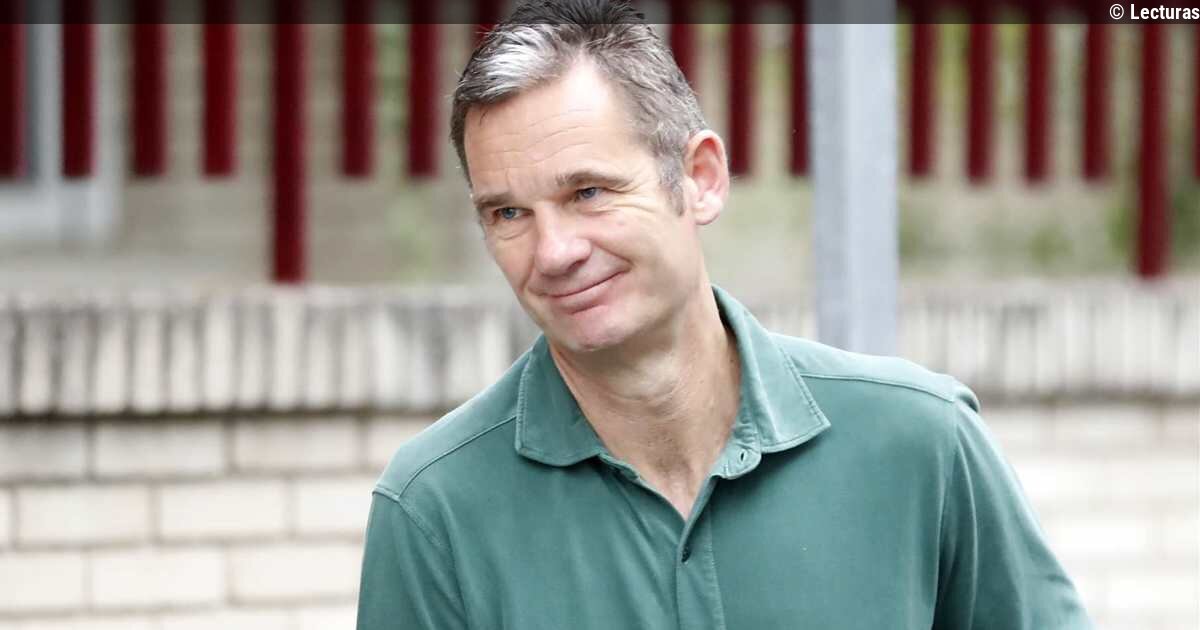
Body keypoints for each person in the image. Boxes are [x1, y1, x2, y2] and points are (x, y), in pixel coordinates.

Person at [356, 1, 1093, 628]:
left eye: (588, 193)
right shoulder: (433, 510)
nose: (553, 252)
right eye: (509, 213)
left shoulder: (922, 443)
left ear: (700, 179)